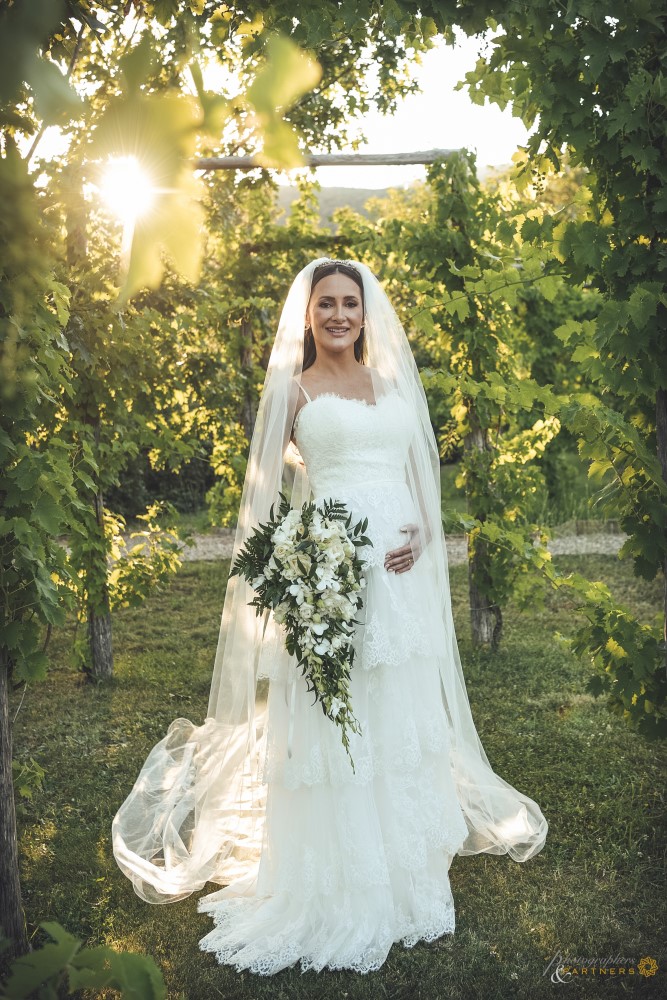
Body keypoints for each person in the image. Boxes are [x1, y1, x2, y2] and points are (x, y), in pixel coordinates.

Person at [112, 257, 548, 975]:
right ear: (307, 317)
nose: (340, 315)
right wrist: (292, 559)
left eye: (350, 302)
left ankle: (402, 866)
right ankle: (340, 873)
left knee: (397, 713)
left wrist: (421, 533)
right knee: (337, 712)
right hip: (331, 573)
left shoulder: (390, 383)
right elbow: (265, 494)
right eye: (326, 305)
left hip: (399, 578)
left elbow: (418, 478)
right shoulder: (293, 387)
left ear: (364, 311)